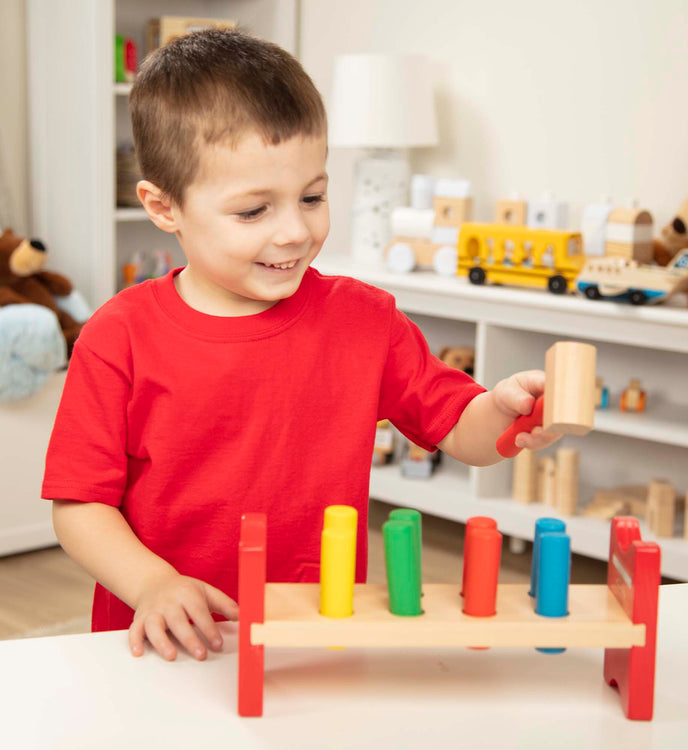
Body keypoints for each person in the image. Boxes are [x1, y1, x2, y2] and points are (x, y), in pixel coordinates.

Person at [43, 29, 558, 663]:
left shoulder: (364, 320)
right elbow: (79, 504)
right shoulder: (118, 336)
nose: (295, 231)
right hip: (165, 642)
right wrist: (152, 584)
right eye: (254, 211)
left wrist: (502, 411)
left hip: (315, 632)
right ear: (164, 205)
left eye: (313, 197)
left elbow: (459, 429)